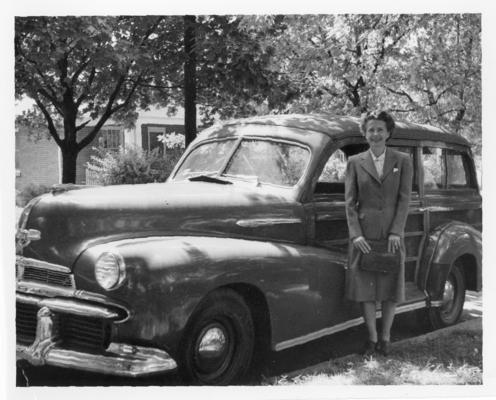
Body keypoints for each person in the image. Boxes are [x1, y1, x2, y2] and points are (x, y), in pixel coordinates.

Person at [344, 110, 413, 356]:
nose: (375, 134)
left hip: (392, 236)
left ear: (388, 133)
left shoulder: (402, 160)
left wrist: (396, 231)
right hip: (364, 236)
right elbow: (350, 203)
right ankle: (371, 339)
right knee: (367, 291)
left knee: (390, 289)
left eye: (380, 130)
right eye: (371, 129)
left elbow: (405, 199)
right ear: (365, 133)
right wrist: (356, 235)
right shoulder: (354, 162)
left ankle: (386, 338)